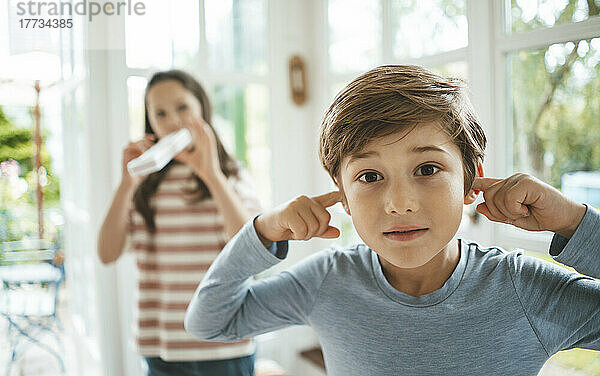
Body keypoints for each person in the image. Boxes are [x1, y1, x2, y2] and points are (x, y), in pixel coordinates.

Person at [184, 65, 600, 375]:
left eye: (426, 169)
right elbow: (210, 320)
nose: (399, 204)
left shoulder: (521, 289)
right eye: (369, 176)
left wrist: (572, 221)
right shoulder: (328, 281)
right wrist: (262, 231)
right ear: (342, 193)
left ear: (471, 177)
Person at [97, 70, 261, 376]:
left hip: (226, 339)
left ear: (202, 109)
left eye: (182, 107)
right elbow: (107, 254)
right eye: (160, 113)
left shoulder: (232, 177)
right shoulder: (145, 188)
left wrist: (211, 174)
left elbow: (251, 249)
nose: (173, 120)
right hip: (164, 346)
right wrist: (126, 185)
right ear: (151, 123)